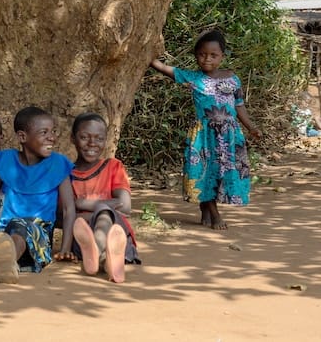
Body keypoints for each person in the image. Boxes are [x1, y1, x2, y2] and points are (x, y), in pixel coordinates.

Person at [151, 30, 261, 230]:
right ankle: (215, 215)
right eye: (202, 54)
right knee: (205, 171)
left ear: (222, 56)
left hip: (229, 135)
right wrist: (148, 57)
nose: (207, 59)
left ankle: (206, 207)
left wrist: (251, 127)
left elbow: (239, 105)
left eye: (213, 55)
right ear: (195, 56)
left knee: (221, 172)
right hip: (204, 136)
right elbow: (166, 69)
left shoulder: (233, 79)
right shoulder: (193, 78)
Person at [0, 107, 76, 284]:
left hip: (39, 235)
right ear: (22, 137)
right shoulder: (6, 160)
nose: (51, 137)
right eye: (44, 132)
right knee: (8, 230)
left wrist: (66, 247)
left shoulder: (58, 164)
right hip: (3, 230)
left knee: (21, 228)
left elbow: (69, 209)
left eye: (53, 131)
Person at [68, 112, 140, 283]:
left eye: (99, 138)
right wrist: (105, 206)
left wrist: (82, 203)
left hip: (118, 237)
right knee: (104, 210)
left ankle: (100, 251)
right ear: (72, 139)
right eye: (84, 137)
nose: (92, 143)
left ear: (106, 140)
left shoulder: (113, 166)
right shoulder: (66, 174)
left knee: (104, 213)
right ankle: (105, 261)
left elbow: (125, 206)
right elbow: (64, 215)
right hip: (81, 242)